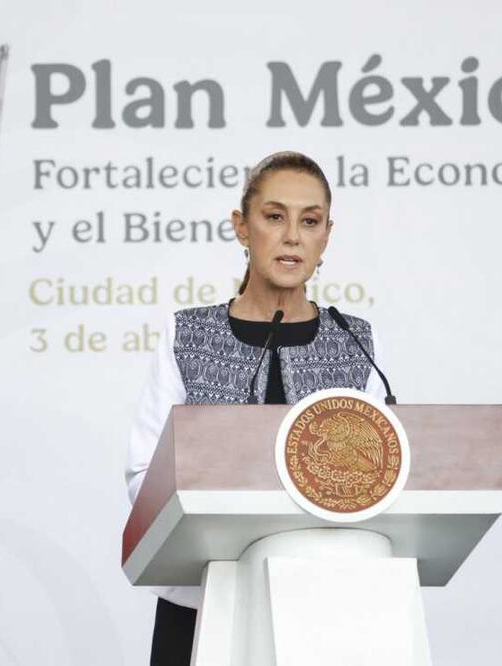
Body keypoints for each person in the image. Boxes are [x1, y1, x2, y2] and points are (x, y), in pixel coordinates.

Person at [124, 151, 387, 665]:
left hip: (327, 608)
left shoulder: (356, 344)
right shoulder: (188, 336)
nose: (292, 236)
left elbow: (379, 481)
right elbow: (142, 475)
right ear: (242, 228)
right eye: (274, 216)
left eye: (309, 221)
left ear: (326, 237)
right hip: (201, 607)